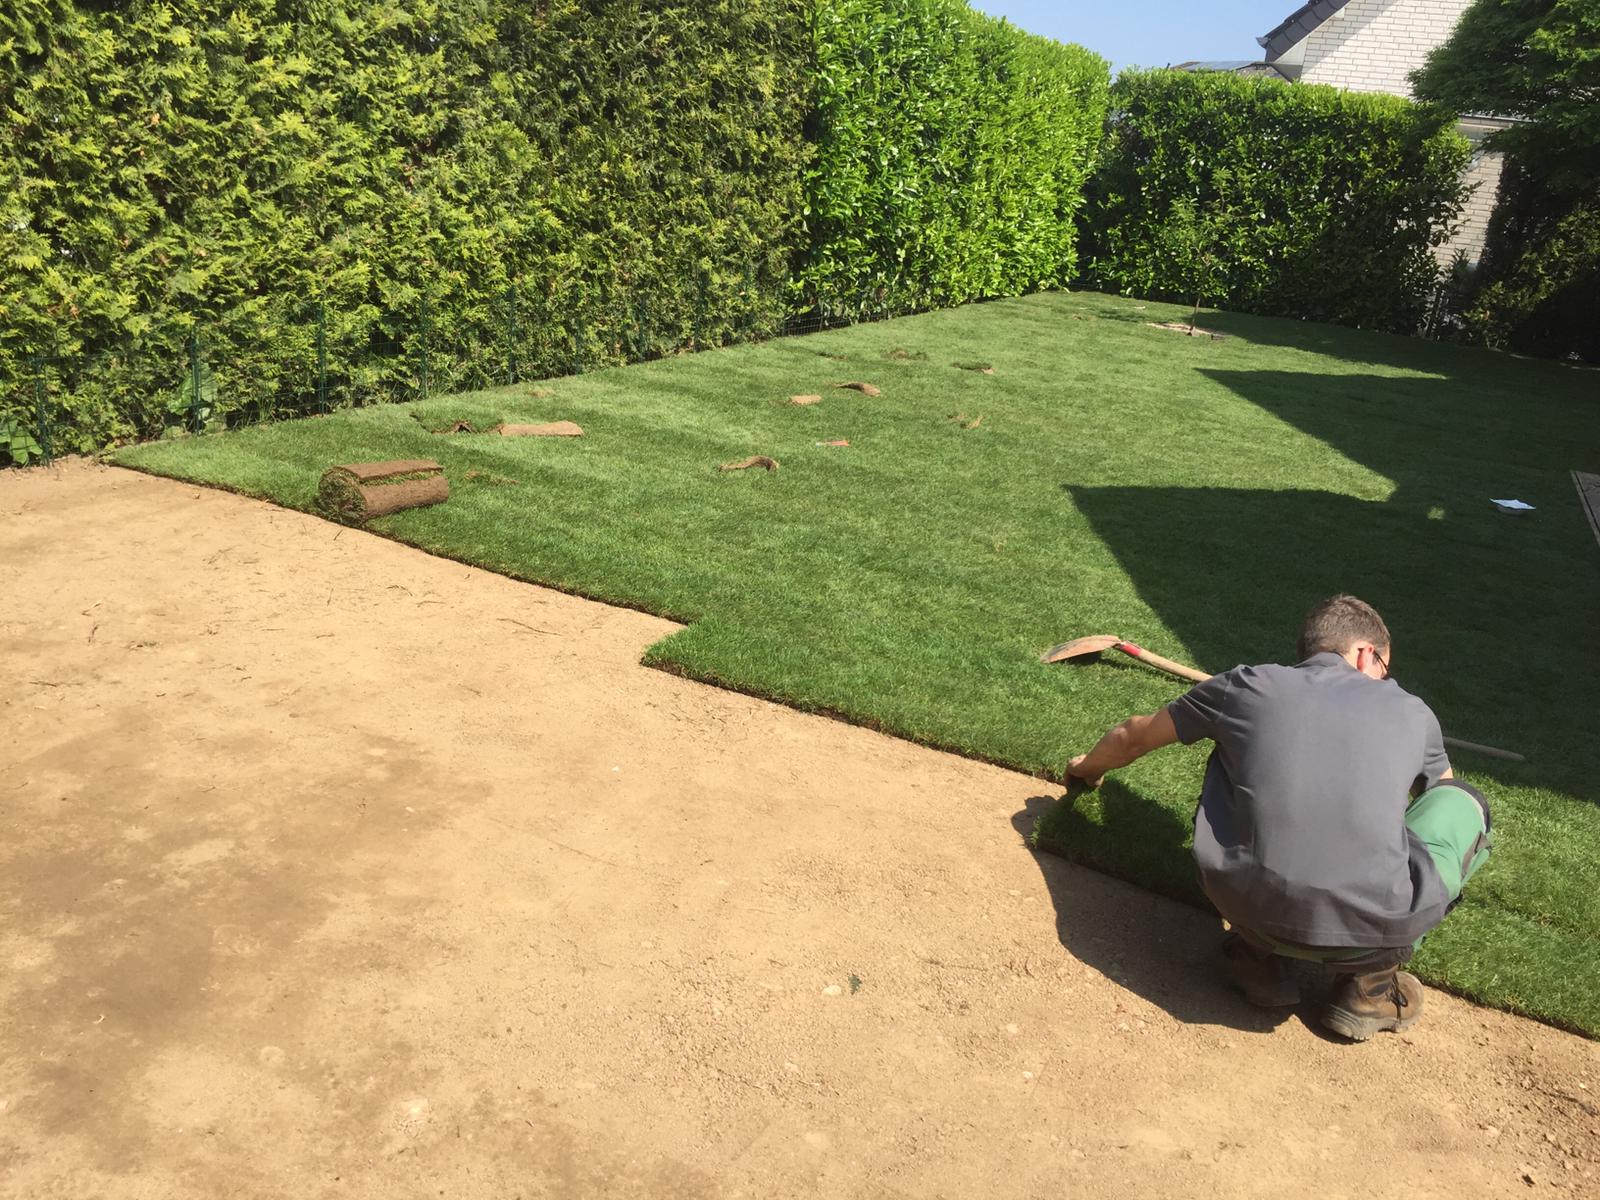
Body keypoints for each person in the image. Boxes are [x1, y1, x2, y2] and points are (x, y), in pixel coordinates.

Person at [1064, 595, 1492, 1041]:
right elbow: (1438, 797)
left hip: (1244, 905)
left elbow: (1133, 736)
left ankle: (1256, 959)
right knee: (1461, 802)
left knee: (1232, 757)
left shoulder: (1245, 686)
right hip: (1376, 931)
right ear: (1366, 653)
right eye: (1385, 667)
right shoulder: (1413, 711)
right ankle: (1370, 987)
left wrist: (1084, 769)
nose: (1386, 678)